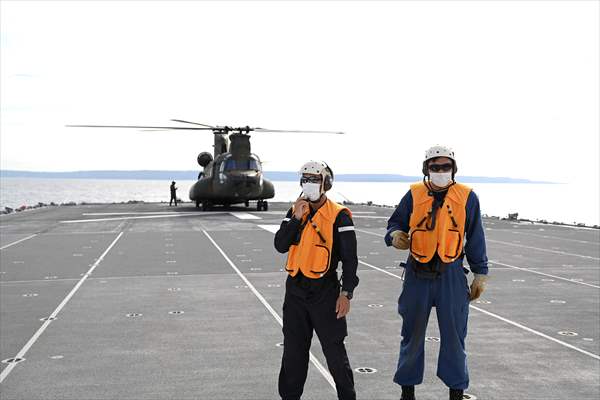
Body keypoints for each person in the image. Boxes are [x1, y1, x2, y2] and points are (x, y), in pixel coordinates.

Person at [385, 145, 489, 400]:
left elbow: (475, 237)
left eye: (446, 167)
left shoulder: (467, 197)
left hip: (451, 275)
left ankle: (456, 392)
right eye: (435, 167)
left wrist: (480, 274)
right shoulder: (413, 194)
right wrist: (395, 235)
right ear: (426, 169)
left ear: (454, 169)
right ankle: (407, 392)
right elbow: (395, 222)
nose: (440, 171)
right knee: (412, 335)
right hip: (416, 275)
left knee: (455, 337)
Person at [274, 160, 359, 400]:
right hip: (295, 294)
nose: (309, 184)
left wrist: (346, 293)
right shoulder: (294, 211)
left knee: (334, 354)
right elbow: (280, 245)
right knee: (293, 354)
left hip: (325, 294)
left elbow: (350, 260)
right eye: (305, 179)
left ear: (326, 183)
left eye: (314, 179)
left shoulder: (339, 216)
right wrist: (296, 219)